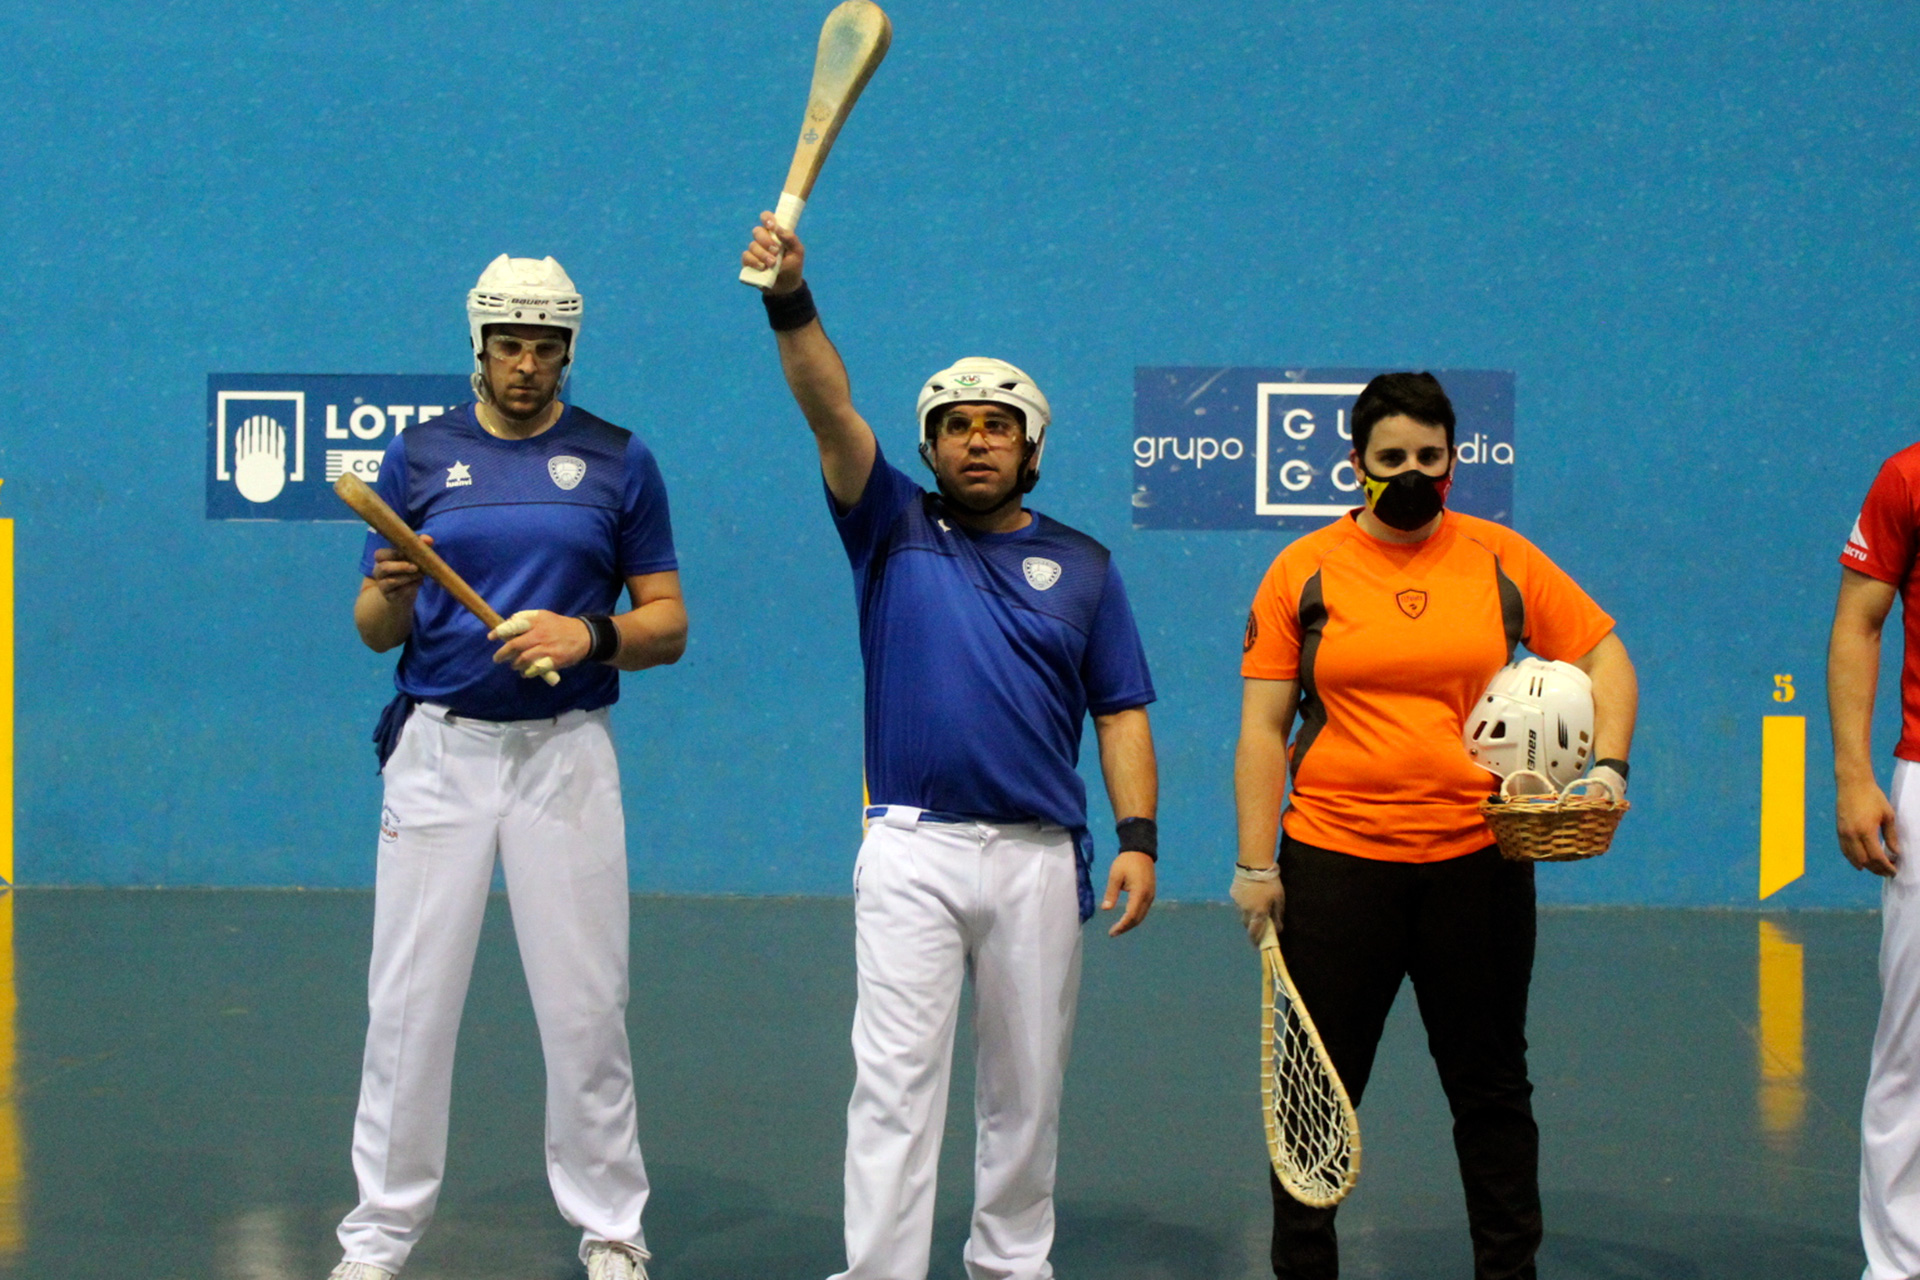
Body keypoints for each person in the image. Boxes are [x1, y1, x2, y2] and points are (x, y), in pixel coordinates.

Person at [740, 216, 1160, 1280]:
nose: (977, 439)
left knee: (1026, 1088)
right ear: (927, 448)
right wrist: (790, 298)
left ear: (1032, 446)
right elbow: (828, 405)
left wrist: (1139, 836)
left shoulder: (1088, 567)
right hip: (911, 849)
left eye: (998, 425)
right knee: (893, 1079)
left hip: (1036, 855)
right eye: (956, 425)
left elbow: (1119, 710)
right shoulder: (887, 525)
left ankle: (1012, 1264)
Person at [1230, 372, 1636, 1280]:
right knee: (1315, 1099)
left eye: (1429, 457)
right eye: (1390, 460)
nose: (1411, 474)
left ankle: (1508, 1271)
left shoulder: (1503, 559)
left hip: (1478, 864)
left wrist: (1607, 768)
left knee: (1491, 1089)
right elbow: (1262, 729)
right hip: (1336, 866)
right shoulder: (1303, 571)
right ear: (1356, 465)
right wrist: (1257, 865)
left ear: (1454, 461)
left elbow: (1606, 655)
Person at [327, 255, 686, 1280]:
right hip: (439, 752)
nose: (525, 366)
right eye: (508, 345)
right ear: (478, 347)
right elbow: (371, 627)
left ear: (569, 352)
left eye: (545, 347)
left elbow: (667, 623)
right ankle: (379, 1233)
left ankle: (612, 1224)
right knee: (407, 1000)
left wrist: (589, 635)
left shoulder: (619, 460)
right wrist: (394, 588)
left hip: (564, 756)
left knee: (586, 1002)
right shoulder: (421, 455)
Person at [1828, 442, 1920, 1280]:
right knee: (1914, 1045)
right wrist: (1855, 776)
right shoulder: (1908, 475)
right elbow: (1860, 620)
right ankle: (1897, 1267)